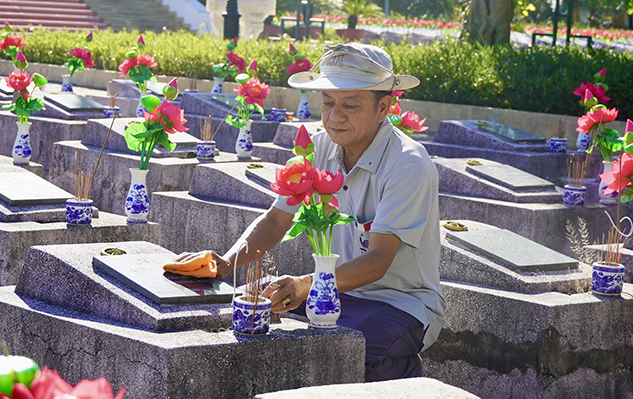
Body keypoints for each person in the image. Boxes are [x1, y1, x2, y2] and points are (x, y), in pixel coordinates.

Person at [174, 43, 445, 381]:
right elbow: (276, 220)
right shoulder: (318, 146)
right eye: (328, 103)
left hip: (399, 304)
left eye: (350, 105)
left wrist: (305, 284)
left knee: (347, 348)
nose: (335, 116)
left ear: (385, 107)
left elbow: (378, 261)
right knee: (255, 306)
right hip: (336, 293)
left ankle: (405, 378)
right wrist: (225, 263)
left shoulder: (408, 163)